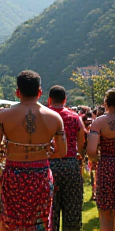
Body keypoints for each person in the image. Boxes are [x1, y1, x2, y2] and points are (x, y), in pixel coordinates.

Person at [0, 70, 67, 230]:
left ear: (18, 92)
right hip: (41, 175)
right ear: (40, 92)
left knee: (9, 220)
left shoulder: (3, 116)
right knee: (40, 222)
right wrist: (45, 151)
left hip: (13, 174)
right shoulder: (55, 118)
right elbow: (63, 151)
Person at [48, 85, 85, 231]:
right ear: (65, 99)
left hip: (49, 165)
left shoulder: (44, 116)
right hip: (70, 163)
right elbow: (81, 144)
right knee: (72, 210)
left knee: (51, 211)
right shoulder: (75, 117)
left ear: (50, 99)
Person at [87, 88, 115, 231]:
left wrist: (97, 159)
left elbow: (91, 150)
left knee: (105, 213)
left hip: (106, 166)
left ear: (106, 103)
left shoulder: (99, 122)